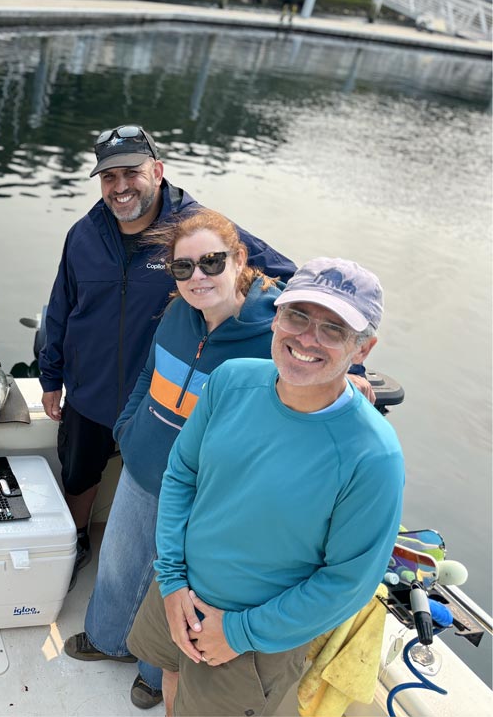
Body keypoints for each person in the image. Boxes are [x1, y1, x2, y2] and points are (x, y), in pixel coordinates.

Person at [126, 257, 404, 717]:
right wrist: (172, 580)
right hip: (177, 590)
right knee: (170, 672)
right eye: (298, 315)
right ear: (277, 315)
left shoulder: (374, 456)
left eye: (334, 330)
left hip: (254, 637)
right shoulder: (230, 379)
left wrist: (237, 632)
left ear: (364, 349)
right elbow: (182, 475)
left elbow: (347, 583)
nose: (307, 339)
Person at [38, 124, 295, 586]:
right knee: (78, 474)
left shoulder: (198, 233)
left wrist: (339, 365)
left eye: (131, 173)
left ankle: (162, 573)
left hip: (163, 396)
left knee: (166, 491)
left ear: (157, 170)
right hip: (90, 389)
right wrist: (51, 376)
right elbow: (61, 305)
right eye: (108, 177)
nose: (119, 188)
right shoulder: (83, 235)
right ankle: (76, 540)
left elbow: (287, 279)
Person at [64, 208, 283, 710]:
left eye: (210, 262)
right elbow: (147, 374)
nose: (197, 277)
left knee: (175, 585)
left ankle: (149, 668)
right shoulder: (175, 311)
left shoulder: (274, 336)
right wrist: (128, 428)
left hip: (204, 494)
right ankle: (106, 638)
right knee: (118, 568)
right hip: (142, 466)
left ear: (239, 258)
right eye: (183, 268)